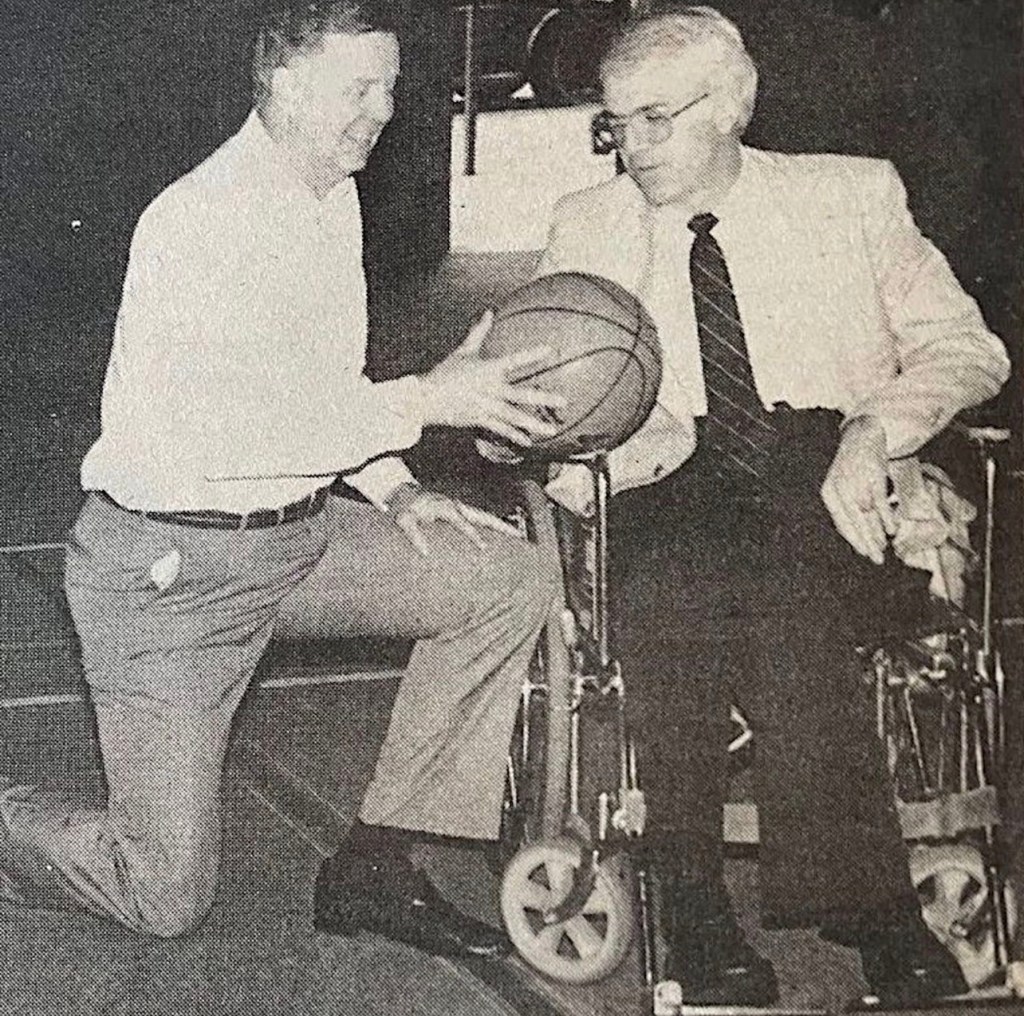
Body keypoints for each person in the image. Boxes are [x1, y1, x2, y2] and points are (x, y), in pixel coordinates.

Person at [0, 1, 563, 958]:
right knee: (161, 893)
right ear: (287, 87)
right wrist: (431, 397)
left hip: (299, 540)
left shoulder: (328, 193)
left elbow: (319, 391)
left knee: (505, 576)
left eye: (390, 87)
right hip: (172, 572)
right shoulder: (201, 222)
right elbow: (233, 435)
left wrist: (395, 489)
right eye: (360, 88)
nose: (383, 110)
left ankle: (378, 862)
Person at [537, 5, 1011, 1007]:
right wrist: (547, 437)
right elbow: (554, 405)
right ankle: (866, 905)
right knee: (705, 575)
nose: (633, 146)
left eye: (657, 117)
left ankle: (691, 900)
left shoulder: (851, 194)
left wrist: (874, 429)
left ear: (734, 104)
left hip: (831, 475)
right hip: (667, 479)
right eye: (616, 122)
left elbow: (969, 349)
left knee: (746, 575)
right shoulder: (587, 225)